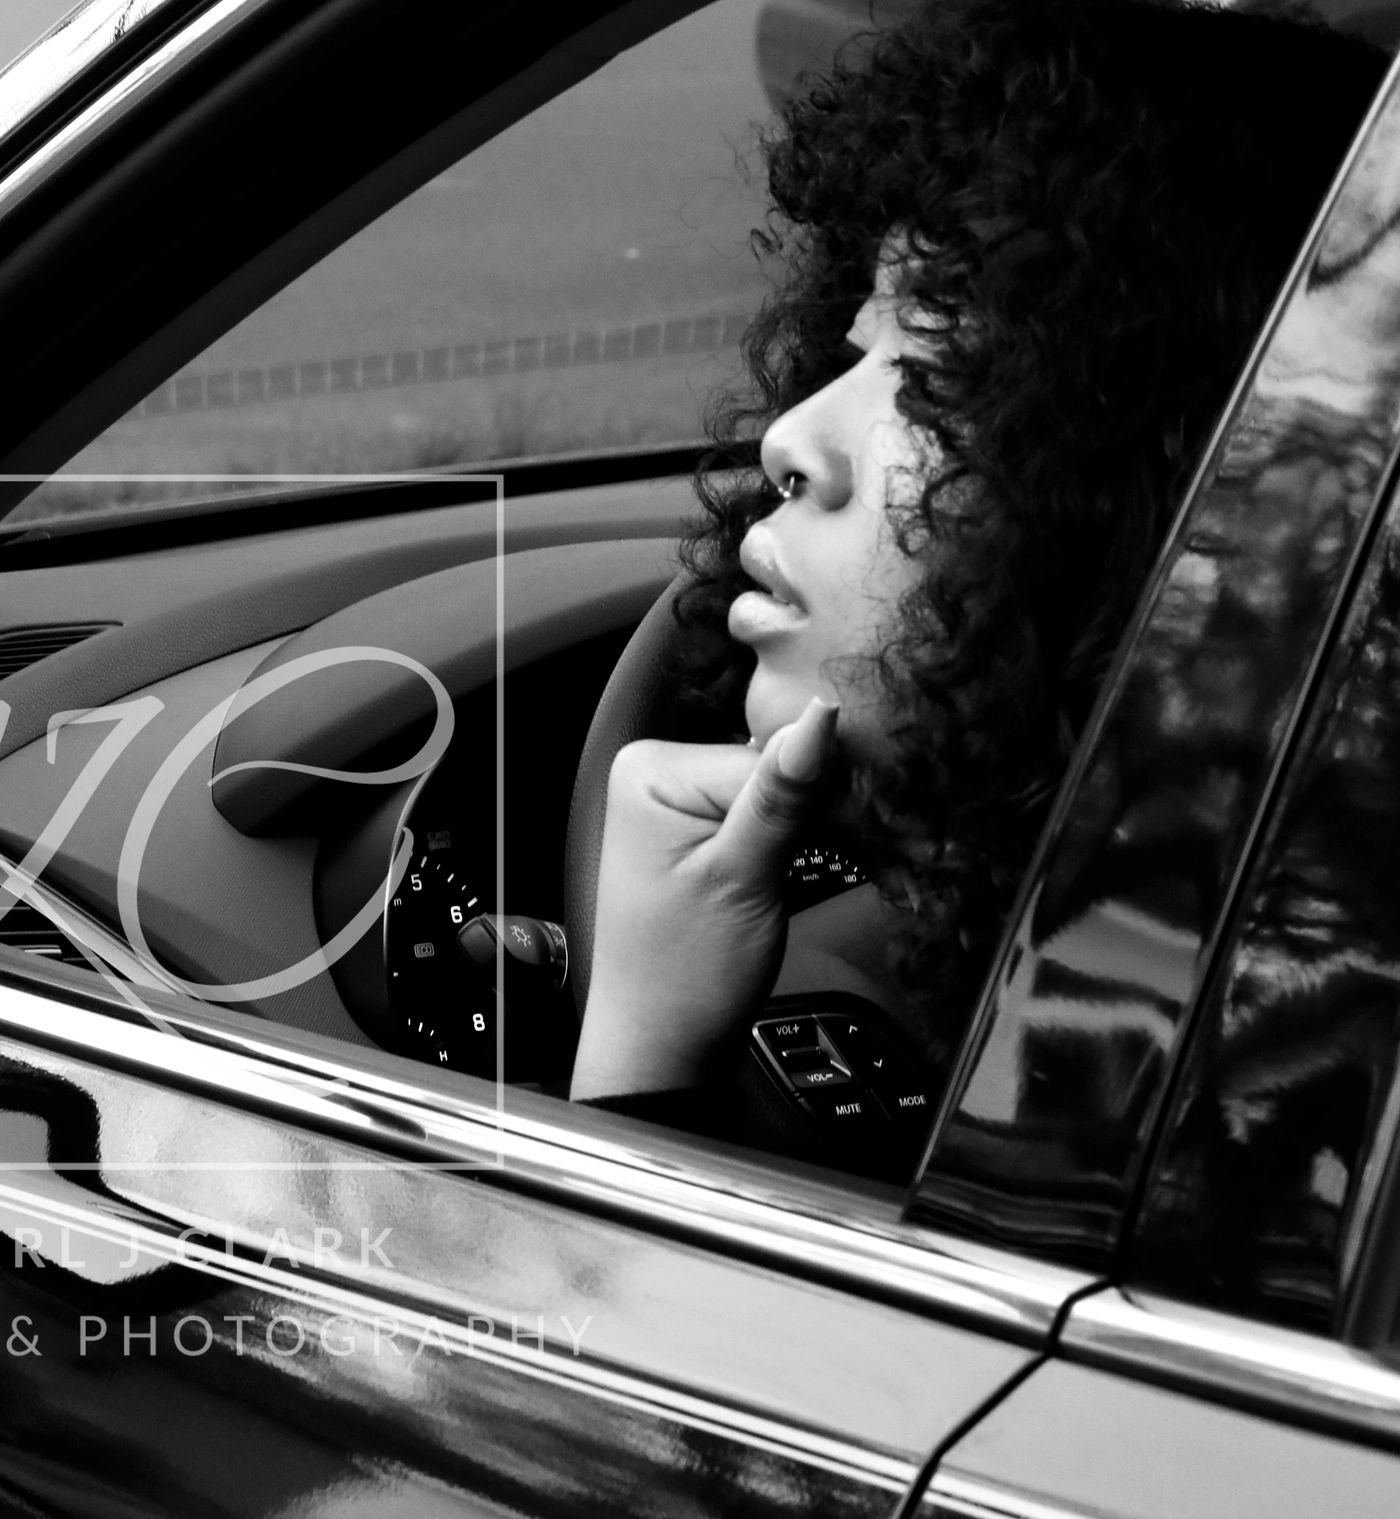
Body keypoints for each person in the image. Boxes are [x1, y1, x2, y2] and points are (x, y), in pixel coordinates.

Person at [567, 0, 1388, 1121]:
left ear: (1180, 481)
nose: (790, 440)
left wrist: (639, 1052)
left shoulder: (1211, 1084)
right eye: (854, 354)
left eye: (937, 371)